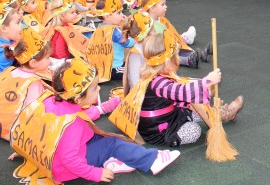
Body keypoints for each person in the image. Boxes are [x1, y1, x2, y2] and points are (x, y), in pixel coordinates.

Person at [10, 58, 180, 183]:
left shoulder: (49, 101)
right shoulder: (72, 126)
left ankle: (114, 159)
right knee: (112, 143)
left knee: (98, 137)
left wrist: (25, 150)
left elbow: (32, 126)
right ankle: (152, 160)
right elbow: (70, 159)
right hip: (65, 167)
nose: (99, 89)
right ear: (77, 98)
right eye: (94, 88)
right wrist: (94, 174)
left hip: (52, 157)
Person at [130, 32, 244, 148]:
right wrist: (207, 81)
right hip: (159, 130)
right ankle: (218, 115)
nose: (179, 58)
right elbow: (183, 92)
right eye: (177, 55)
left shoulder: (156, 74)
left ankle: (223, 114)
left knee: (198, 108)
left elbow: (170, 97)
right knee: (194, 130)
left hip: (170, 115)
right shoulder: (158, 83)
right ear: (168, 62)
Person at [140, 0, 208, 67]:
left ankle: (198, 55)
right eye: (162, 5)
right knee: (170, 56)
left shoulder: (160, 19)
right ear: (152, 8)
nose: (166, 7)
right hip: (154, 53)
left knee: (176, 47)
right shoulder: (145, 22)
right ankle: (188, 60)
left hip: (166, 47)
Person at [87, 0, 135, 81]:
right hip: (115, 68)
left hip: (105, 67)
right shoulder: (112, 31)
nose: (121, 15)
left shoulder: (101, 27)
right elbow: (126, 42)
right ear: (107, 16)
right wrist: (135, 40)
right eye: (118, 13)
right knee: (136, 70)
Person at [0, 3, 23, 72]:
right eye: (18, 22)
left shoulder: (11, 41)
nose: (22, 26)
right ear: (4, 28)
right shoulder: (4, 55)